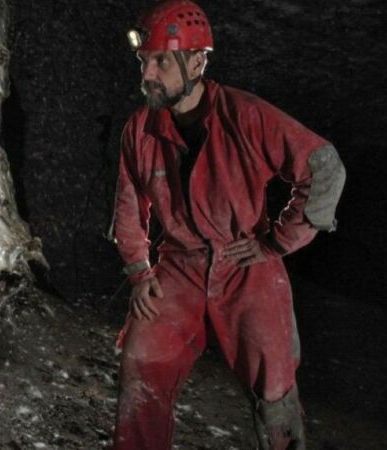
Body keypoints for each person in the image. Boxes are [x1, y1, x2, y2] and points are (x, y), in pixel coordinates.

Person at [110, 1, 346, 448]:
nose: (148, 75)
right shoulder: (140, 129)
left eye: (161, 61)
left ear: (197, 61)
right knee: (141, 362)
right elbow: (128, 205)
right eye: (145, 62)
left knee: (275, 390)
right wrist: (139, 272)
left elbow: (323, 166)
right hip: (178, 266)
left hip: (244, 263)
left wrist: (278, 242)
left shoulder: (245, 115)